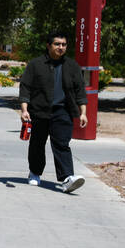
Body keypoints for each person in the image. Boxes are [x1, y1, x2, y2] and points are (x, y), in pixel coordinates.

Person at [18, 30, 88, 193]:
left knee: (62, 144)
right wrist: (24, 110)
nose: (61, 47)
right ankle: (35, 172)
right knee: (37, 143)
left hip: (62, 111)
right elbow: (25, 87)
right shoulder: (36, 64)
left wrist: (83, 112)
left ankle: (67, 178)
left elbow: (80, 90)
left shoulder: (72, 66)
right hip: (39, 111)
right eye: (57, 44)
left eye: (64, 44)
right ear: (48, 45)